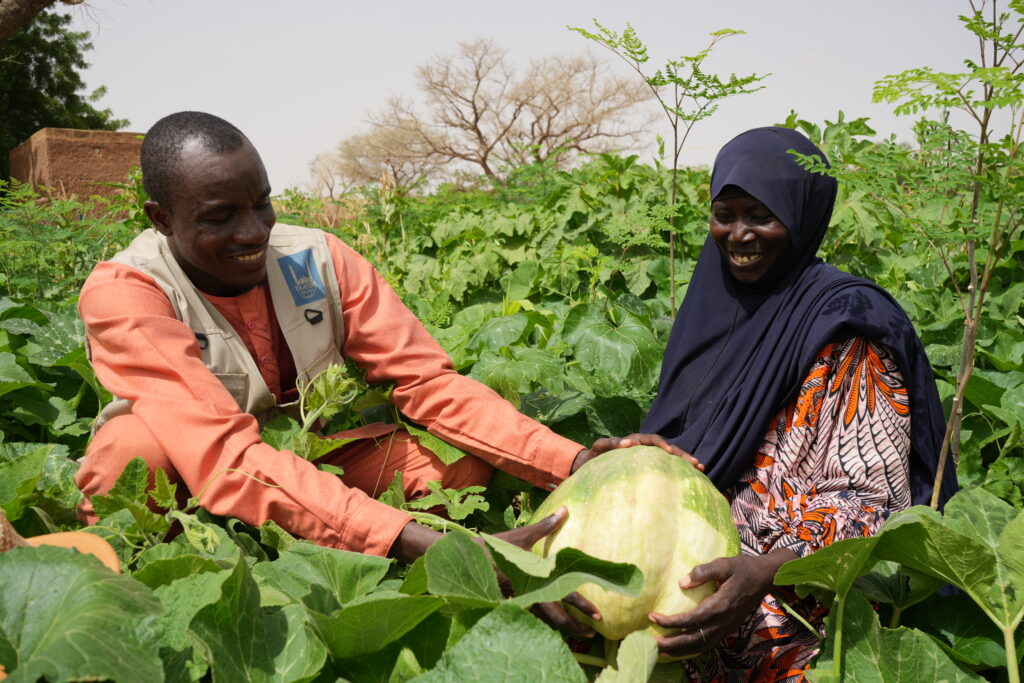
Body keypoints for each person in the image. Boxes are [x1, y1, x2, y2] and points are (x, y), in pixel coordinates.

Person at [73, 111, 613, 573]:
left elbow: (425, 380)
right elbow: (222, 455)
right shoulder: (129, 291)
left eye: (261, 203)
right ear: (161, 219)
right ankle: (157, 567)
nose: (254, 231)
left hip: (302, 456)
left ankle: (319, 531)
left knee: (459, 469)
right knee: (133, 452)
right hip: (193, 476)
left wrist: (575, 460)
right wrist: (415, 542)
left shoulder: (316, 258)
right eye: (220, 217)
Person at [614, 127, 957, 680]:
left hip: (795, 622)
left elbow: (872, 504)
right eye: (725, 214)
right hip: (678, 615)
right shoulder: (712, 312)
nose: (739, 234)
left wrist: (765, 573)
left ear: (802, 218)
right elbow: (688, 451)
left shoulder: (845, 326)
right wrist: (632, 459)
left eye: (761, 215)